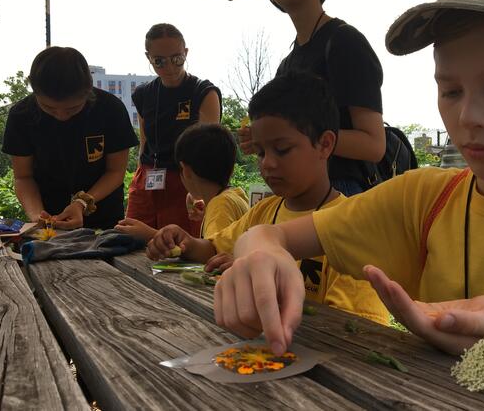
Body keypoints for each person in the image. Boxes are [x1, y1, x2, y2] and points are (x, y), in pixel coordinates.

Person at [214, 0, 484, 392]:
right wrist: (258, 253)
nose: (469, 117)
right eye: (450, 91)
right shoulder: (424, 199)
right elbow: (270, 235)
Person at [148, 72, 389, 325]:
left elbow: (355, 328)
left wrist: (263, 285)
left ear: (325, 144)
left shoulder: (353, 229)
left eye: (282, 150)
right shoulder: (264, 212)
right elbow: (213, 248)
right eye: (260, 152)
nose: (268, 164)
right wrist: (183, 242)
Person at [237, 0, 386, 196]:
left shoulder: (345, 42)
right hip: (298, 193)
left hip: (342, 193)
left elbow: (374, 145)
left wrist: (298, 135)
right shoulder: (287, 65)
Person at [2, 46, 138, 230]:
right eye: (49, 108)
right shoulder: (22, 116)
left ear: (88, 90)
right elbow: (23, 177)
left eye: (72, 109)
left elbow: (115, 171)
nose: (61, 116)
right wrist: (37, 216)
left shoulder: (110, 109)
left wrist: (81, 204)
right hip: (50, 219)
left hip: (104, 219)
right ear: (35, 91)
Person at [126, 23, 222, 236]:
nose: (169, 67)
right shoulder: (143, 94)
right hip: (148, 176)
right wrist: (140, 173)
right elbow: (144, 140)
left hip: (187, 180)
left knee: (182, 248)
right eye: (159, 61)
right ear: (148, 58)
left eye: (176, 58)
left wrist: (202, 191)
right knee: (132, 241)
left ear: (186, 53)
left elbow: (211, 150)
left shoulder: (203, 92)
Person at [116, 123, 249, 241]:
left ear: (185, 171)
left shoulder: (219, 207)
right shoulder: (236, 195)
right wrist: (207, 213)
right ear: (231, 169)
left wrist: (151, 234)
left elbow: (211, 253)